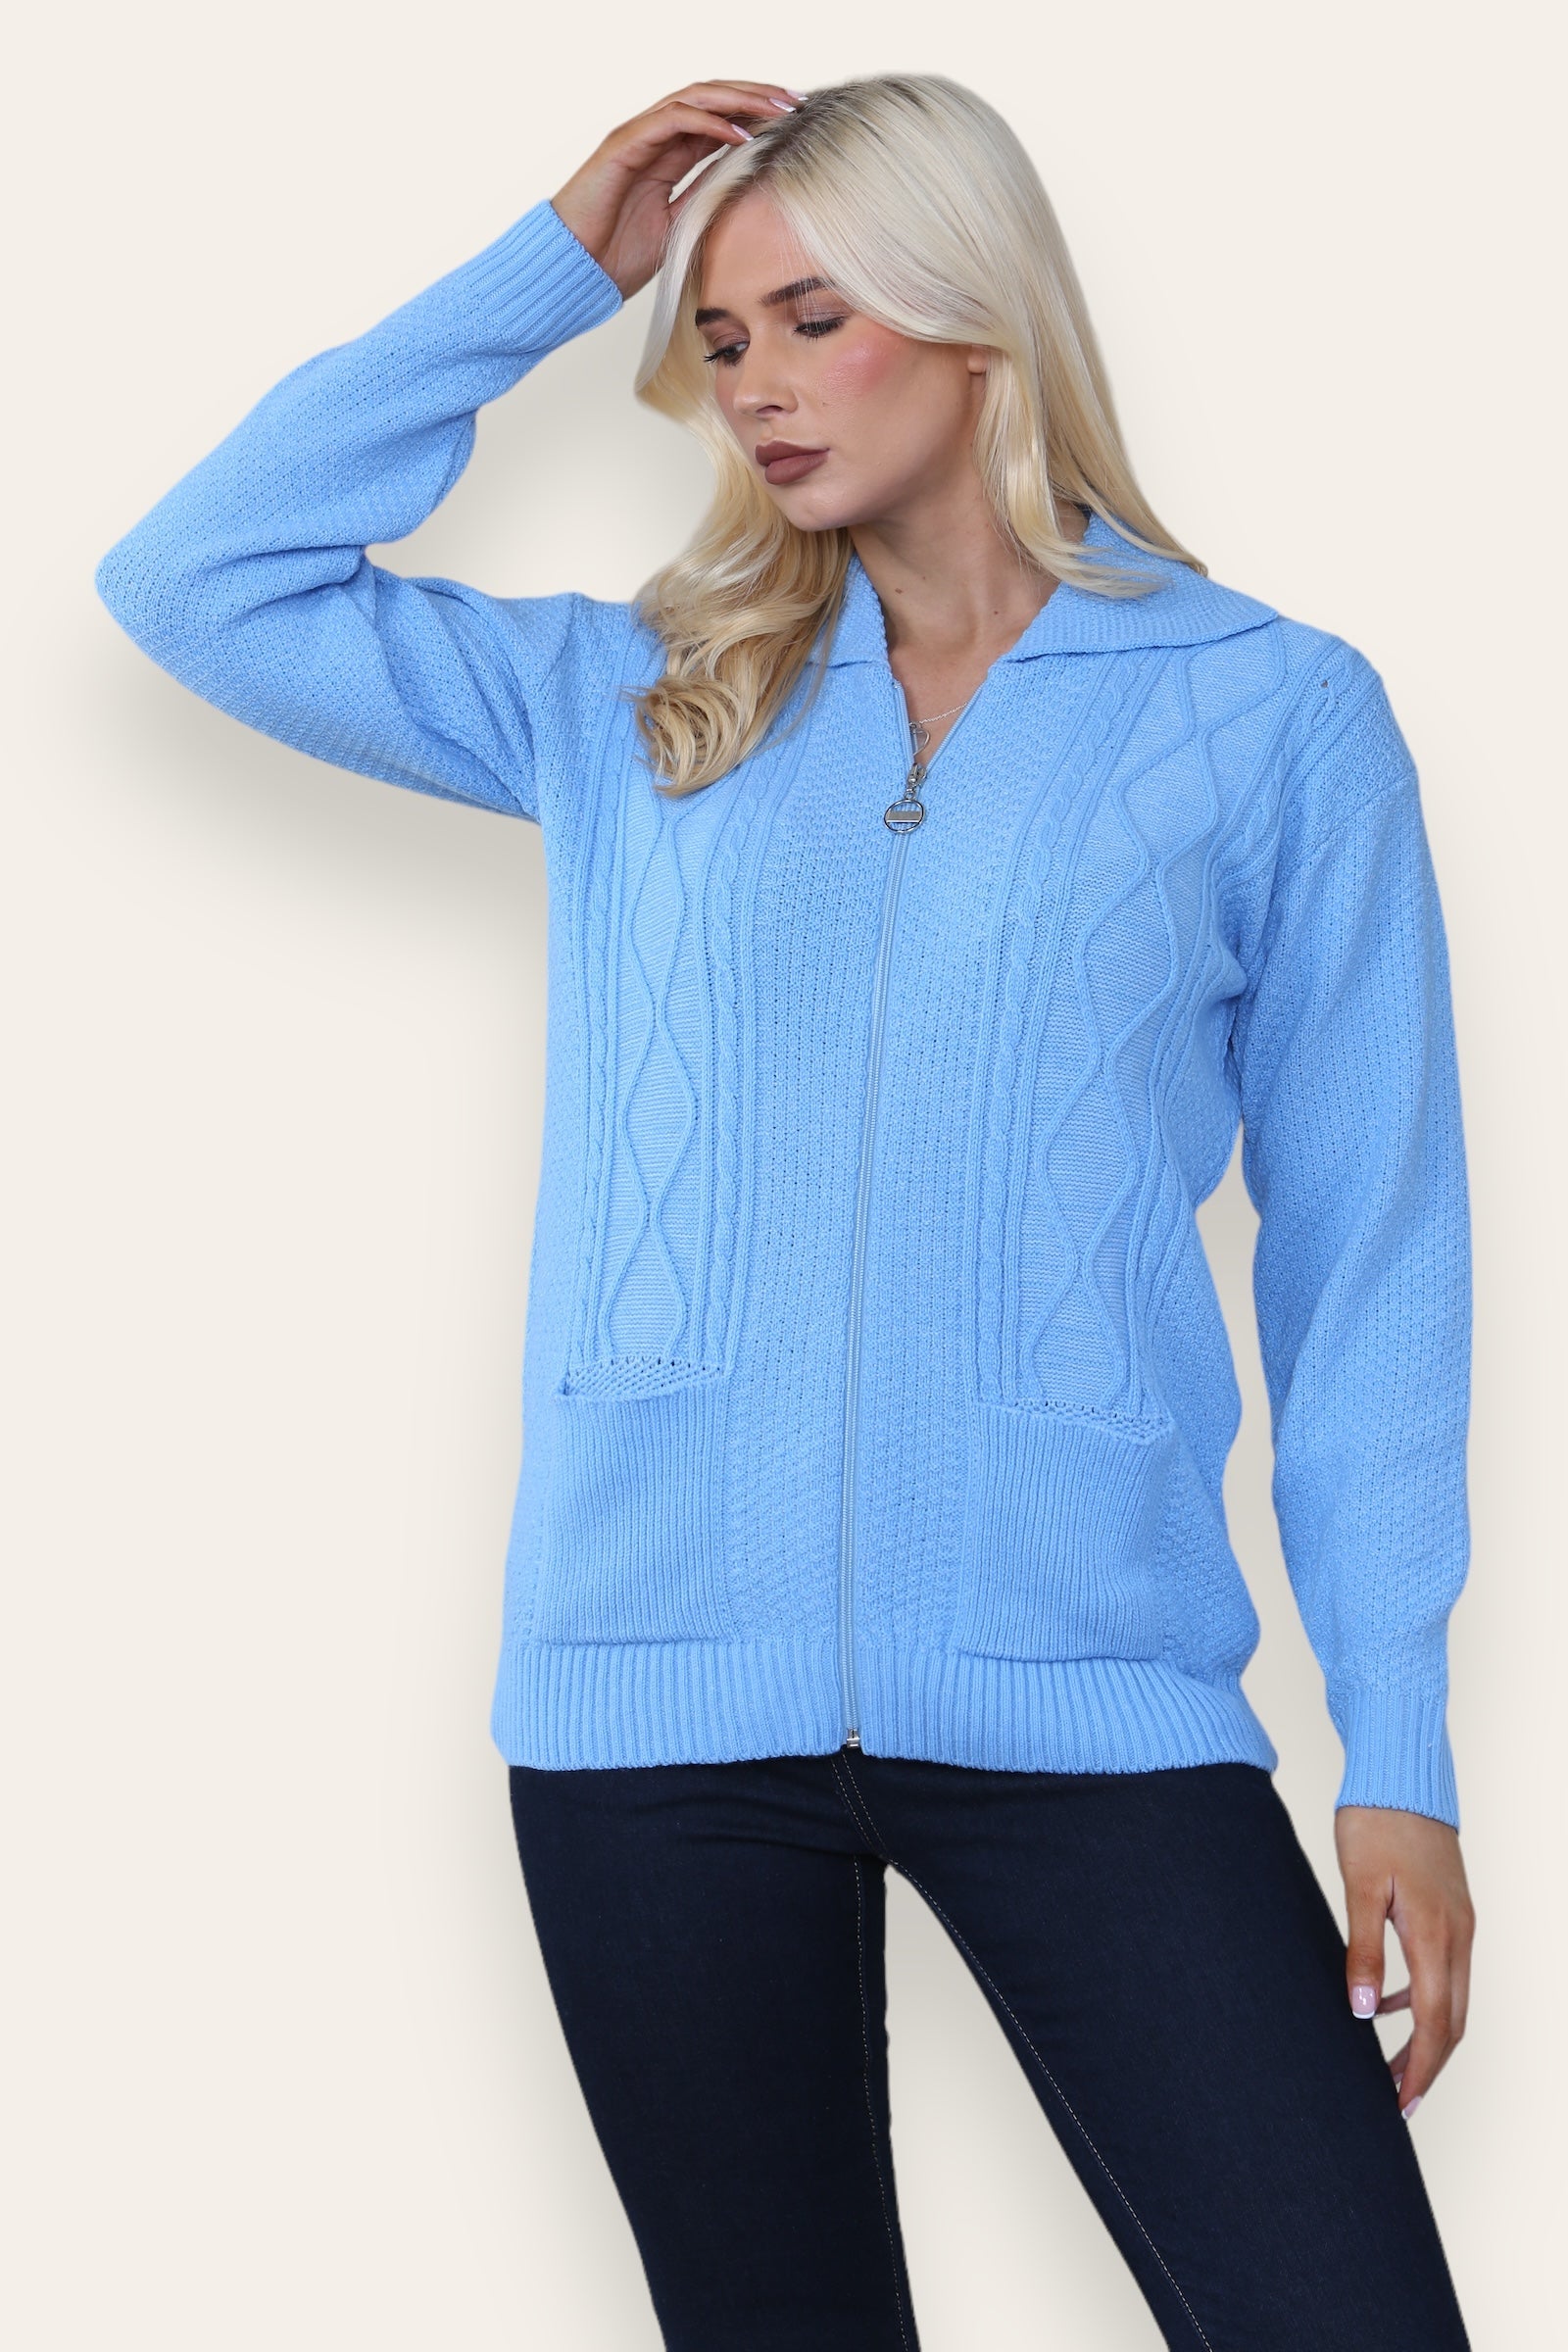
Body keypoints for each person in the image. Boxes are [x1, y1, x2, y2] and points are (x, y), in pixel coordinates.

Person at [96, 71, 1476, 2352]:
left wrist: (1394, 1754)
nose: (750, 385)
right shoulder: (636, 699)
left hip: (1090, 1699)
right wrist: (560, 261)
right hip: (650, 1717)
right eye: (720, 336)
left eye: (812, 319)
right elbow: (196, 578)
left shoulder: (1265, 717)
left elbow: (1370, 1256)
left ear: (973, 317)